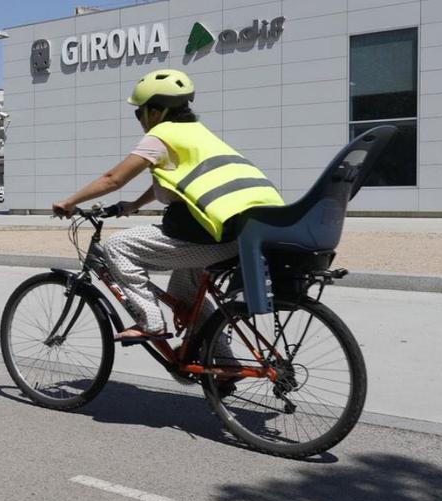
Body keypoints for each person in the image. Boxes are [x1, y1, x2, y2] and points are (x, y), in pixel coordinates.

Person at [52, 69, 285, 344]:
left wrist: (69, 202)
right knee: (184, 292)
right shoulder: (199, 134)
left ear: (155, 112)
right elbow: (175, 180)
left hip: (212, 234)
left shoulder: (161, 135)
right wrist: (135, 205)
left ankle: (150, 322)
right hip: (247, 232)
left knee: (117, 246)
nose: (139, 119)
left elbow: (113, 179)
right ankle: (220, 368)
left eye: (139, 112)